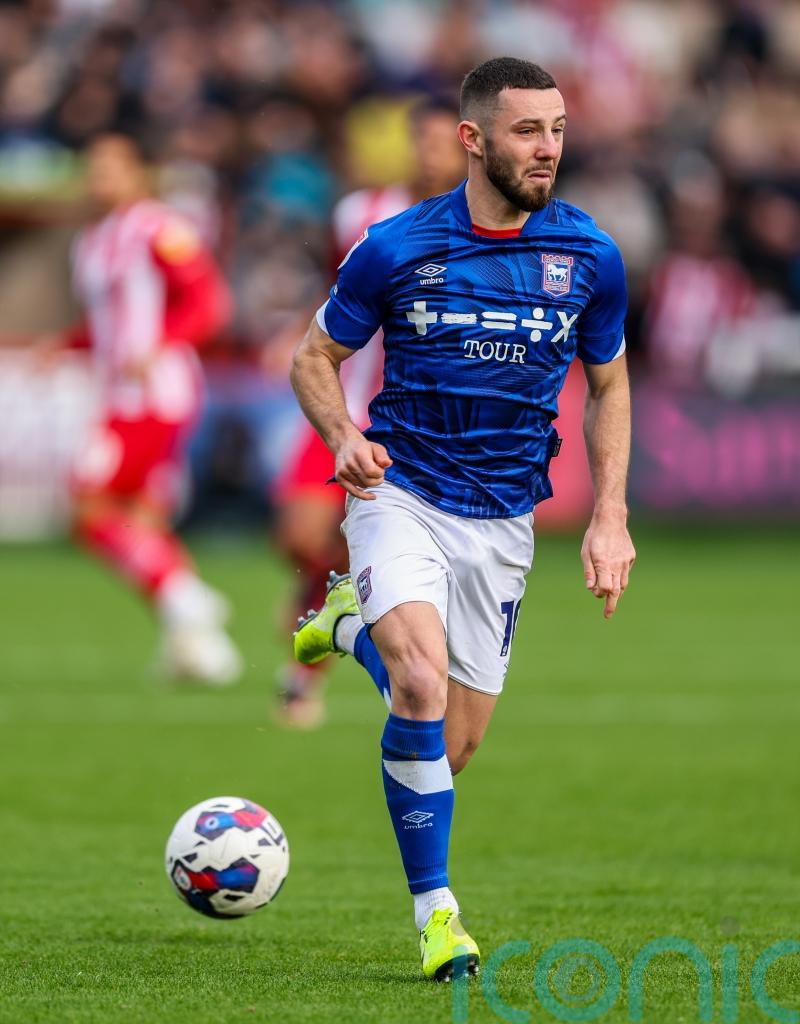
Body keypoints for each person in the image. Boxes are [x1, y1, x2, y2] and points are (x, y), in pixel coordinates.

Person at [290, 58, 636, 980]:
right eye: (528, 131)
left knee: (451, 745)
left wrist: (610, 515)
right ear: (473, 140)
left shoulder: (590, 256)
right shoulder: (396, 245)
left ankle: (348, 626)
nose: (549, 148)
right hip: (399, 492)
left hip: (503, 521)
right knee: (419, 686)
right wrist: (342, 435)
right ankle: (439, 916)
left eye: (558, 128)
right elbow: (311, 359)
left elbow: (608, 385)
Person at [272, 99, 465, 727]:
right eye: (425, 140)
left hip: (408, 420)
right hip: (344, 400)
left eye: (445, 142)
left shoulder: (472, 228)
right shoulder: (360, 213)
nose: (433, 152)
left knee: (364, 549)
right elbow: (340, 291)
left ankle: (304, 677)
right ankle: (334, 603)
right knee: (300, 537)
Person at [58, 133, 242, 684]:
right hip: (118, 392)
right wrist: (66, 347)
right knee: (144, 523)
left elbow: (209, 304)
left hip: (154, 395)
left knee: (91, 510)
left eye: (111, 169)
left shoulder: (160, 229)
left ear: (138, 173)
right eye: (93, 170)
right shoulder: (92, 241)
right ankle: (197, 647)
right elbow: (108, 326)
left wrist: (161, 344)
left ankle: (188, 601)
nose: (100, 181)